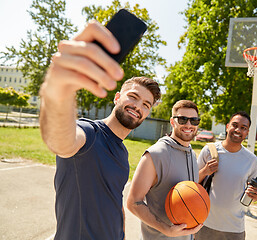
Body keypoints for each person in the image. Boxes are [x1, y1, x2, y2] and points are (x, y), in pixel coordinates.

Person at [39, 20, 161, 240]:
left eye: (146, 104)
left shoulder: (122, 152)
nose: (138, 107)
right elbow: (60, 140)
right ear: (117, 98)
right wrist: (57, 92)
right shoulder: (89, 134)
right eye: (133, 97)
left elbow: (114, 201)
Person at [126, 100, 203, 240]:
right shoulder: (156, 154)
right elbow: (133, 202)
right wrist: (166, 229)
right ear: (172, 122)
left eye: (194, 120)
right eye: (182, 119)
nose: (188, 125)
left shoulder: (191, 153)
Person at [195, 111, 257, 240]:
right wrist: (205, 171)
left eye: (243, 128)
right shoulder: (209, 150)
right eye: (234, 125)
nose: (238, 130)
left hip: (234, 229)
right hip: (205, 223)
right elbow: (191, 182)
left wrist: (255, 195)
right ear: (227, 127)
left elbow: (252, 196)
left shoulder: (251, 160)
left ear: (247, 132)